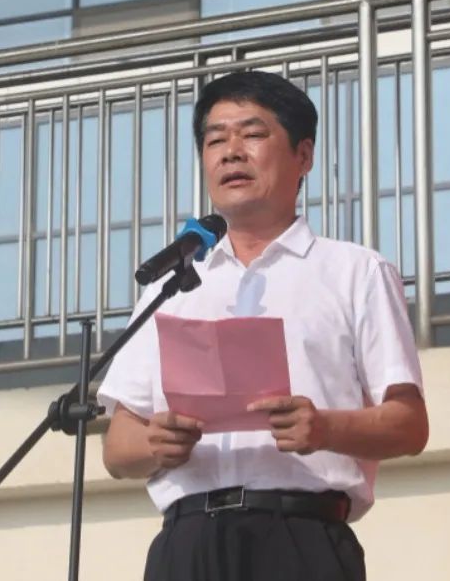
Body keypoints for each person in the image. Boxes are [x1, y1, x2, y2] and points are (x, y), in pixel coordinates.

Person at [97, 70, 428, 581]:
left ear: (304, 155)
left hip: (301, 537)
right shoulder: (172, 284)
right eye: (215, 140)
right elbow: (119, 447)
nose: (231, 152)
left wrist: (324, 427)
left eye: (252, 134)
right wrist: (154, 444)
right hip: (186, 542)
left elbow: (409, 424)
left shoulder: (355, 272)